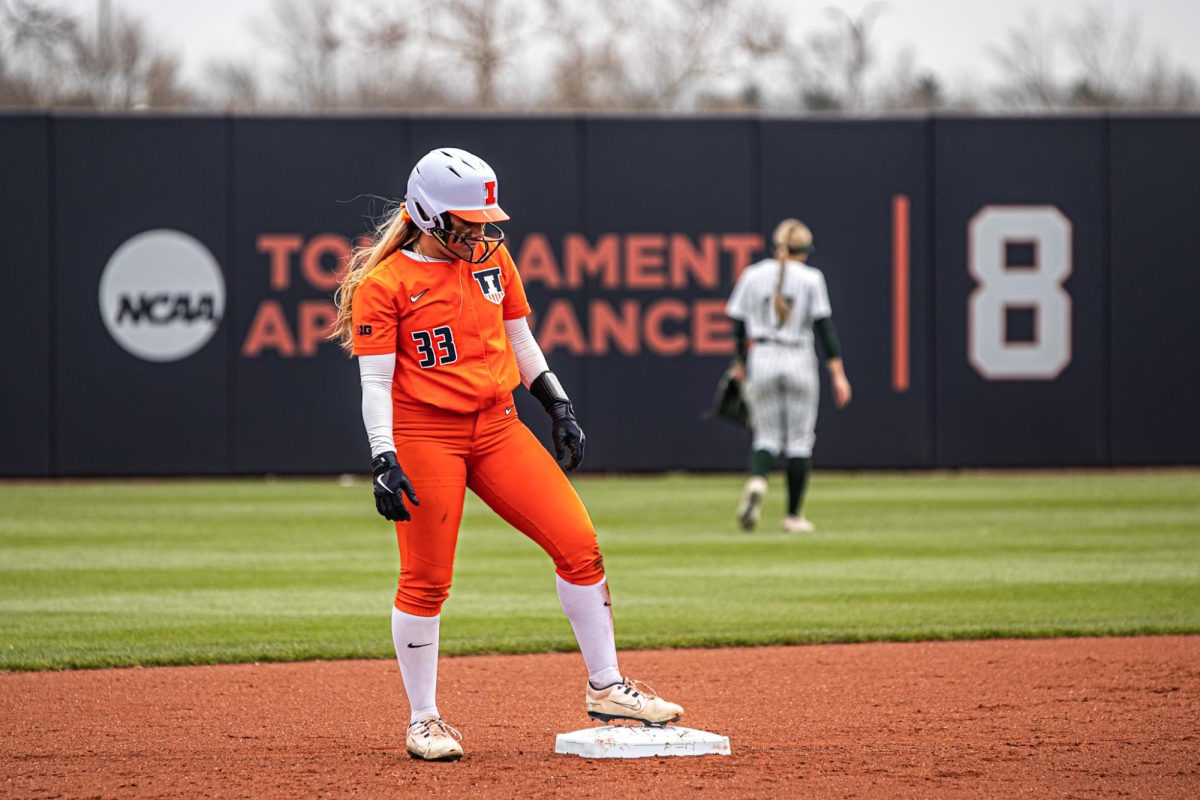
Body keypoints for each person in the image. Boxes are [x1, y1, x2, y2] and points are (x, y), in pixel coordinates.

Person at [329, 147, 682, 762]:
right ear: (427, 214)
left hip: (496, 425)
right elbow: (376, 385)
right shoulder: (385, 284)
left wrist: (557, 403)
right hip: (424, 434)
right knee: (426, 580)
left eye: (484, 217)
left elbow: (519, 335)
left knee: (579, 544)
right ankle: (424, 720)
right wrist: (384, 458)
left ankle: (607, 688)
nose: (480, 229)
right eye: (467, 219)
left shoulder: (492, 257)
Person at [725, 219, 852, 534]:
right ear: (805, 250)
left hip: (763, 357)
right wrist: (838, 374)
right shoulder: (811, 277)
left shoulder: (753, 275)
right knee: (799, 441)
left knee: (766, 435)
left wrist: (741, 362)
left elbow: (739, 327)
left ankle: (758, 480)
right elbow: (824, 329)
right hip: (798, 356)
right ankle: (793, 516)